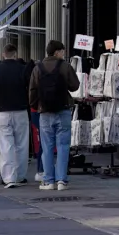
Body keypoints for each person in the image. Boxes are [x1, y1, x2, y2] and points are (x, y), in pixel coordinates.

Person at [29, 41, 80, 191]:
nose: (63, 54)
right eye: (62, 51)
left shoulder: (37, 68)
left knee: (47, 147)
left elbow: (32, 91)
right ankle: (61, 181)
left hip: (44, 112)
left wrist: (36, 105)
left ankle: (49, 180)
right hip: (62, 110)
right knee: (63, 146)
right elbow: (75, 86)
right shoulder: (65, 66)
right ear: (57, 52)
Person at [0, 44, 32, 188]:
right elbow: (30, 88)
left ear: (3, 54)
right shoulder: (22, 69)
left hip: (3, 111)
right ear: (15, 54)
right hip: (21, 110)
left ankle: (8, 177)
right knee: (22, 144)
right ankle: (20, 175)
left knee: (6, 145)